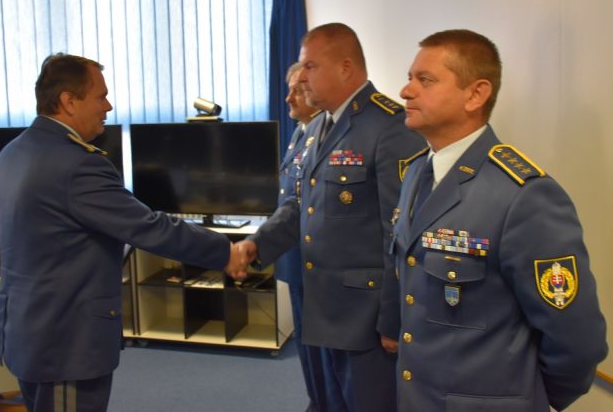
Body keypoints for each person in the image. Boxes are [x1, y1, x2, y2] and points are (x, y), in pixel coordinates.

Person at [0, 53, 246, 412]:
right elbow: (149, 227)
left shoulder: (12, 153)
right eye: (101, 96)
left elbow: (3, 238)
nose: (108, 106)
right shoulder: (77, 164)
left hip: (25, 330)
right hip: (65, 341)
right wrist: (227, 252)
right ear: (69, 101)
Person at [381, 29, 608, 411]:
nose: (406, 91)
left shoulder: (523, 196)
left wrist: (533, 397)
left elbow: (577, 337)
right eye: (409, 78)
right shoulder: (416, 173)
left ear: (476, 94)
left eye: (425, 80)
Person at [235, 23, 426, 412]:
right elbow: (299, 205)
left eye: (310, 66)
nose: (302, 77)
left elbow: (400, 235)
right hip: (323, 304)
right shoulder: (318, 126)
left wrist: (393, 317)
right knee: (328, 402)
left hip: (365, 317)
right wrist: (257, 244)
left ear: (345, 67)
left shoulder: (389, 126)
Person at [277, 62, 324, 410]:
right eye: (289, 89)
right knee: (306, 345)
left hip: (317, 263)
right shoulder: (300, 132)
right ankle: (316, 399)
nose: (289, 97)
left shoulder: (323, 135)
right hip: (296, 258)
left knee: (320, 348)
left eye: (298, 89)